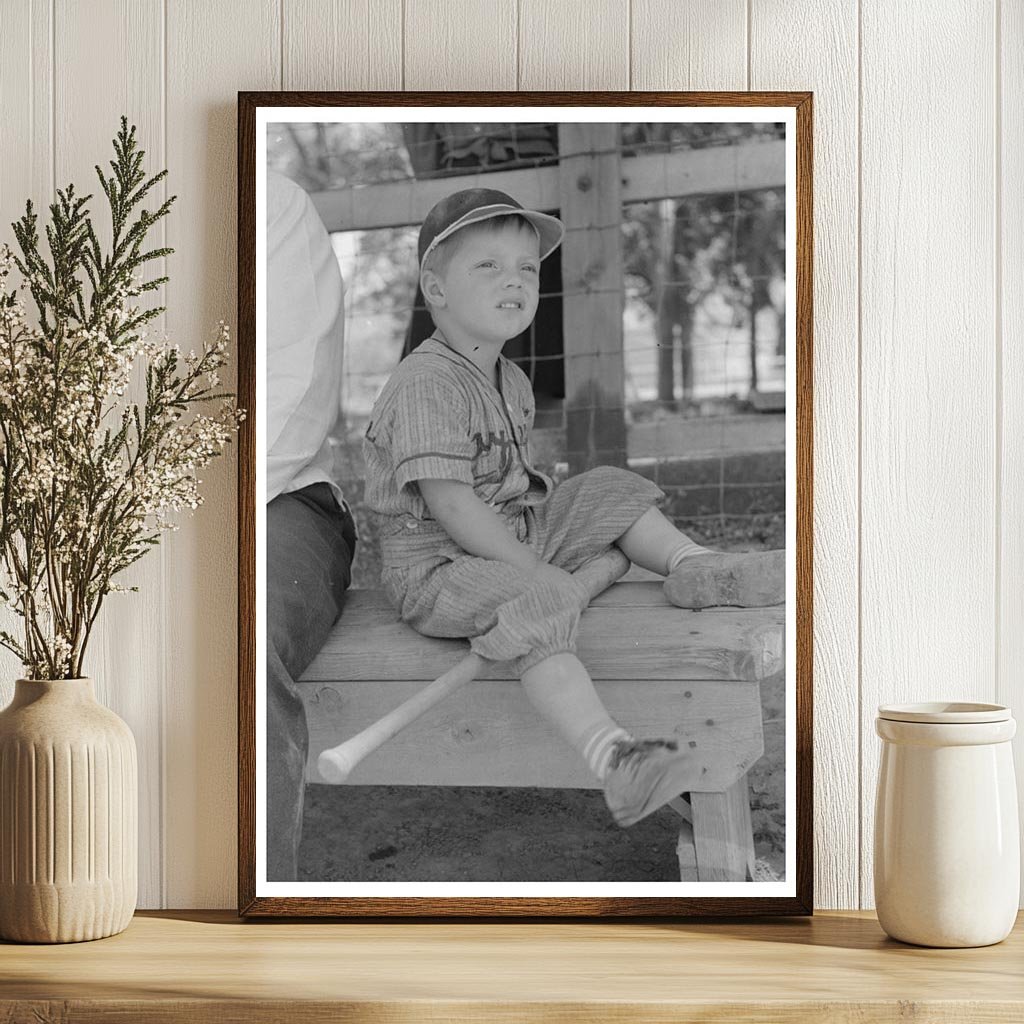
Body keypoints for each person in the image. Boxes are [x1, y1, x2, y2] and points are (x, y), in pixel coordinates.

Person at [362, 188, 782, 828]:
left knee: (608, 486)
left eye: (527, 269)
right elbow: (449, 503)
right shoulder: (426, 383)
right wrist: (535, 573)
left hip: (508, 532)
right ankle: (617, 760)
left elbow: (512, 491)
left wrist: (542, 547)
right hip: (438, 567)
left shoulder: (511, 379)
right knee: (538, 599)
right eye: (488, 266)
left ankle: (696, 566)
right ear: (435, 289)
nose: (515, 282)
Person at [266, 170, 357, 880]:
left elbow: (293, 398)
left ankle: (250, 929)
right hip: (81, 507)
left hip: (272, 494)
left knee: (240, 637)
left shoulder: (273, 204)